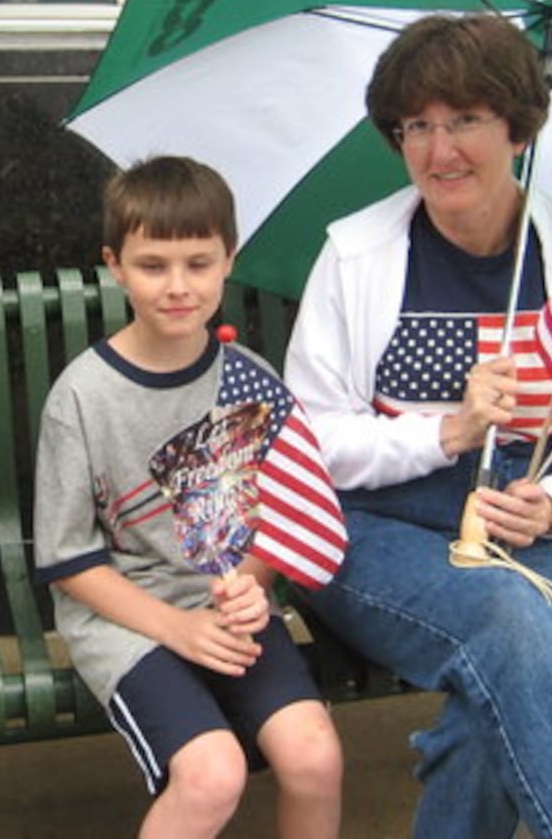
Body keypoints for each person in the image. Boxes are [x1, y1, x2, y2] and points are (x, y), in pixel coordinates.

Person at [285, 13, 552, 838]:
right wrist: (445, 434)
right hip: (376, 523)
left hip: (543, 523)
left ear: (518, 127)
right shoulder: (355, 254)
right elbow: (308, 441)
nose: (438, 151)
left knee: (498, 696)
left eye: (464, 121)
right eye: (417, 126)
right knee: (511, 625)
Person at [33, 156, 343, 839]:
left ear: (229, 259)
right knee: (211, 773)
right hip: (126, 614)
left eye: (198, 263)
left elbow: (277, 513)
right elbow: (67, 562)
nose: (178, 287)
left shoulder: (248, 381)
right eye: (153, 265)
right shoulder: (82, 397)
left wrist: (254, 584)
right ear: (115, 265)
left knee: (314, 755)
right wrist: (176, 628)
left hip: (225, 607)